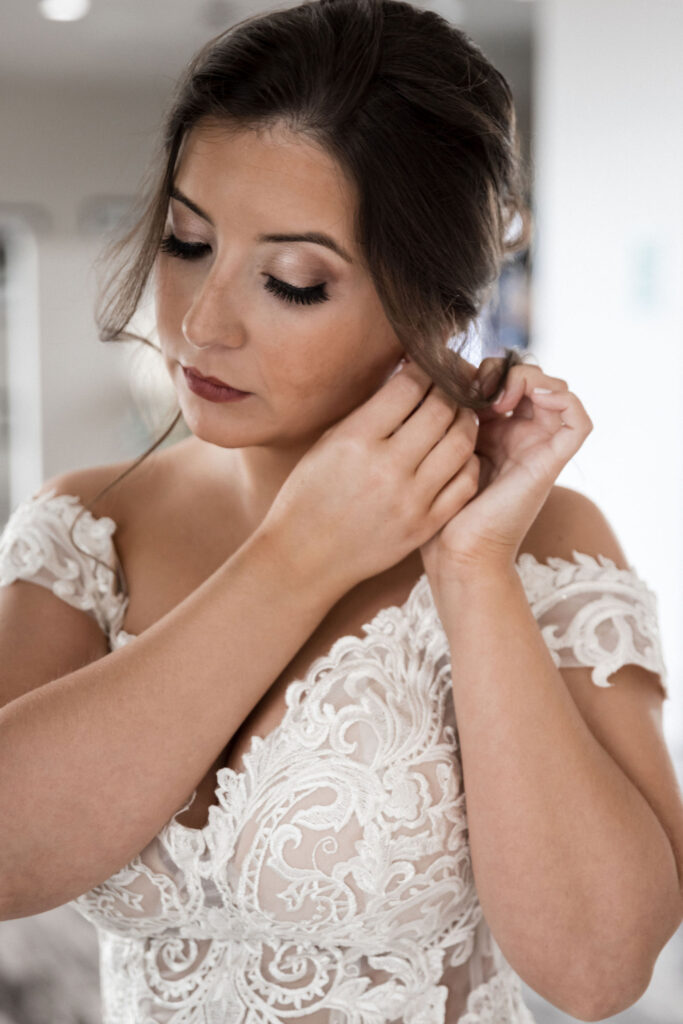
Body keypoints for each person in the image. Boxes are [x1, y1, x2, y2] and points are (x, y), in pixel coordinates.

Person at [0, 0, 681, 1021]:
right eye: (188, 241)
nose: (200, 321)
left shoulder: (545, 544)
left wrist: (471, 571)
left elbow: (597, 971)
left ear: (437, 307)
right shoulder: (91, 525)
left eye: (290, 280)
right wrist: (295, 558)